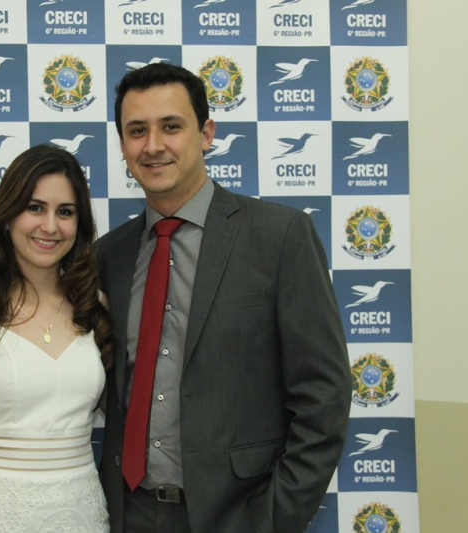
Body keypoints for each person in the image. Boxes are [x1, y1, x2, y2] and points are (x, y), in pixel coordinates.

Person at [95, 63, 351, 533]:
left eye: (171, 126)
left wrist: (272, 518)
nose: (153, 145)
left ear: (206, 133)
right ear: (123, 144)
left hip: (238, 515)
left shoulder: (279, 237)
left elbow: (324, 395)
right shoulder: (109, 255)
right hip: (128, 513)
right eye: (137, 131)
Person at [0, 144, 113, 533]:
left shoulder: (96, 308)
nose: (50, 226)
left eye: (65, 212)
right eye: (35, 208)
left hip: (82, 515)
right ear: (7, 216)